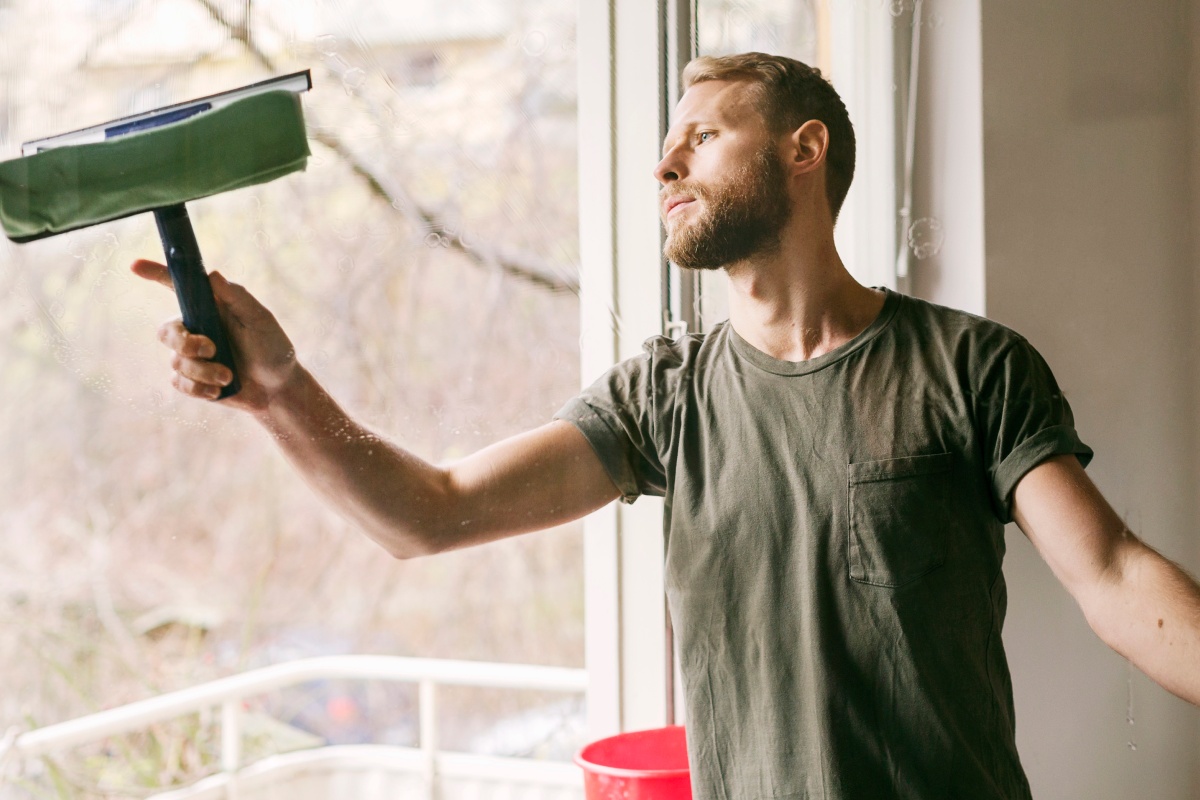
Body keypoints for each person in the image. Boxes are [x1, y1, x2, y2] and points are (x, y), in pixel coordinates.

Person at [132, 52, 1200, 799]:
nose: (664, 167)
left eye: (702, 137)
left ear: (805, 149)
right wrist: (281, 391)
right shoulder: (665, 397)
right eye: (664, 146)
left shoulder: (970, 367)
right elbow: (429, 513)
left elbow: (1112, 575)